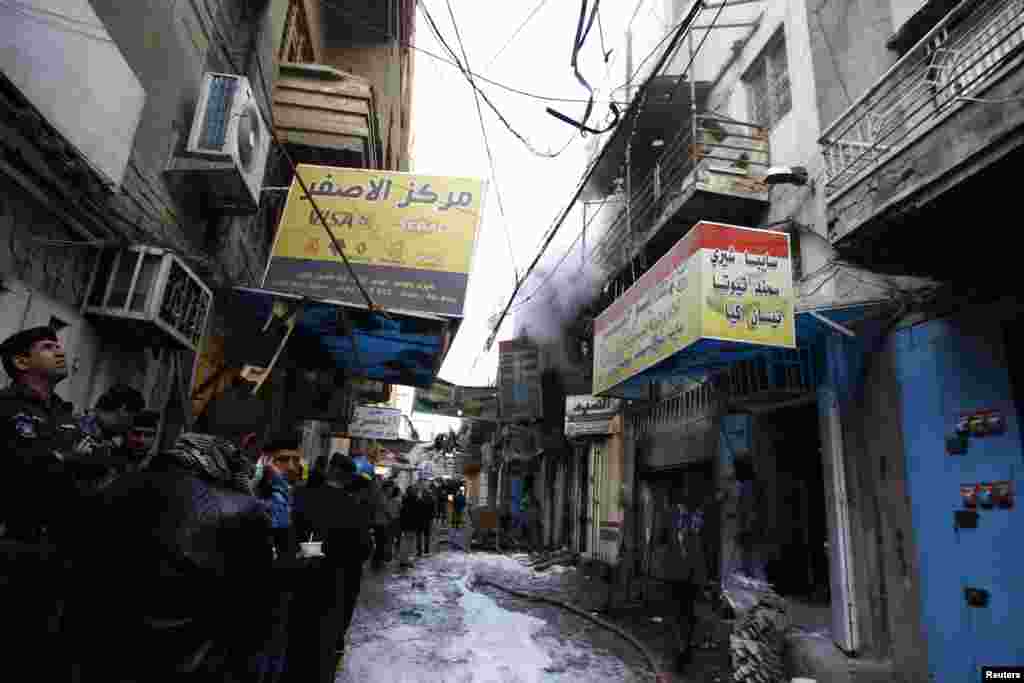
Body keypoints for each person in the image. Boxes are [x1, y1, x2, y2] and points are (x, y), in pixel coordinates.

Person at [76, 432, 275, 681]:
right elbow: (255, 606)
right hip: (191, 658)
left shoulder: (114, 486)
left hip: (107, 651)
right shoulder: (239, 508)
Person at [0, 326, 99, 680]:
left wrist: (63, 460)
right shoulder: (5, 409)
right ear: (21, 361)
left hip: (61, 550)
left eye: (59, 345)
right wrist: (67, 460)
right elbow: (18, 468)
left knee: (46, 651)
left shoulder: (66, 415)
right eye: (47, 346)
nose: (59, 351)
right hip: (14, 546)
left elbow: (91, 468)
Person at [283, 455, 373, 682]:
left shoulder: (302, 495)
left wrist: (309, 551)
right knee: (322, 651)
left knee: (293, 646)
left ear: (329, 471)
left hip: (298, 585)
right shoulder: (353, 506)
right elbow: (363, 550)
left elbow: (288, 539)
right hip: (335, 589)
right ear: (348, 477)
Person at [658, 494, 709, 674]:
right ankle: (683, 651)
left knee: (680, 614)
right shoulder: (695, 519)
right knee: (685, 614)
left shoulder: (681, 517)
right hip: (684, 575)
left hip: (682, 576)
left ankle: (682, 651)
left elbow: (661, 539)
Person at [399, 485, 420, 567]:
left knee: (405, 541)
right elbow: (417, 514)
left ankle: (403, 559)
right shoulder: (415, 500)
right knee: (410, 543)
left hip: (406, 524)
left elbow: (402, 512)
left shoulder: (404, 500)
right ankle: (406, 560)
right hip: (412, 524)